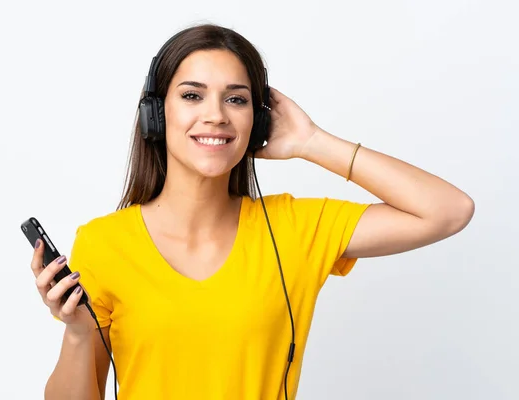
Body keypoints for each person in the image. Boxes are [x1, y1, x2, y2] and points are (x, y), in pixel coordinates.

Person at [29, 23, 475, 400]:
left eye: (236, 99)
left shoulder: (294, 228)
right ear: (156, 115)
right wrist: (77, 333)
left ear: (256, 123)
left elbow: (449, 211)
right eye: (191, 96)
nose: (216, 115)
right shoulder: (104, 244)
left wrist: (312, 142)